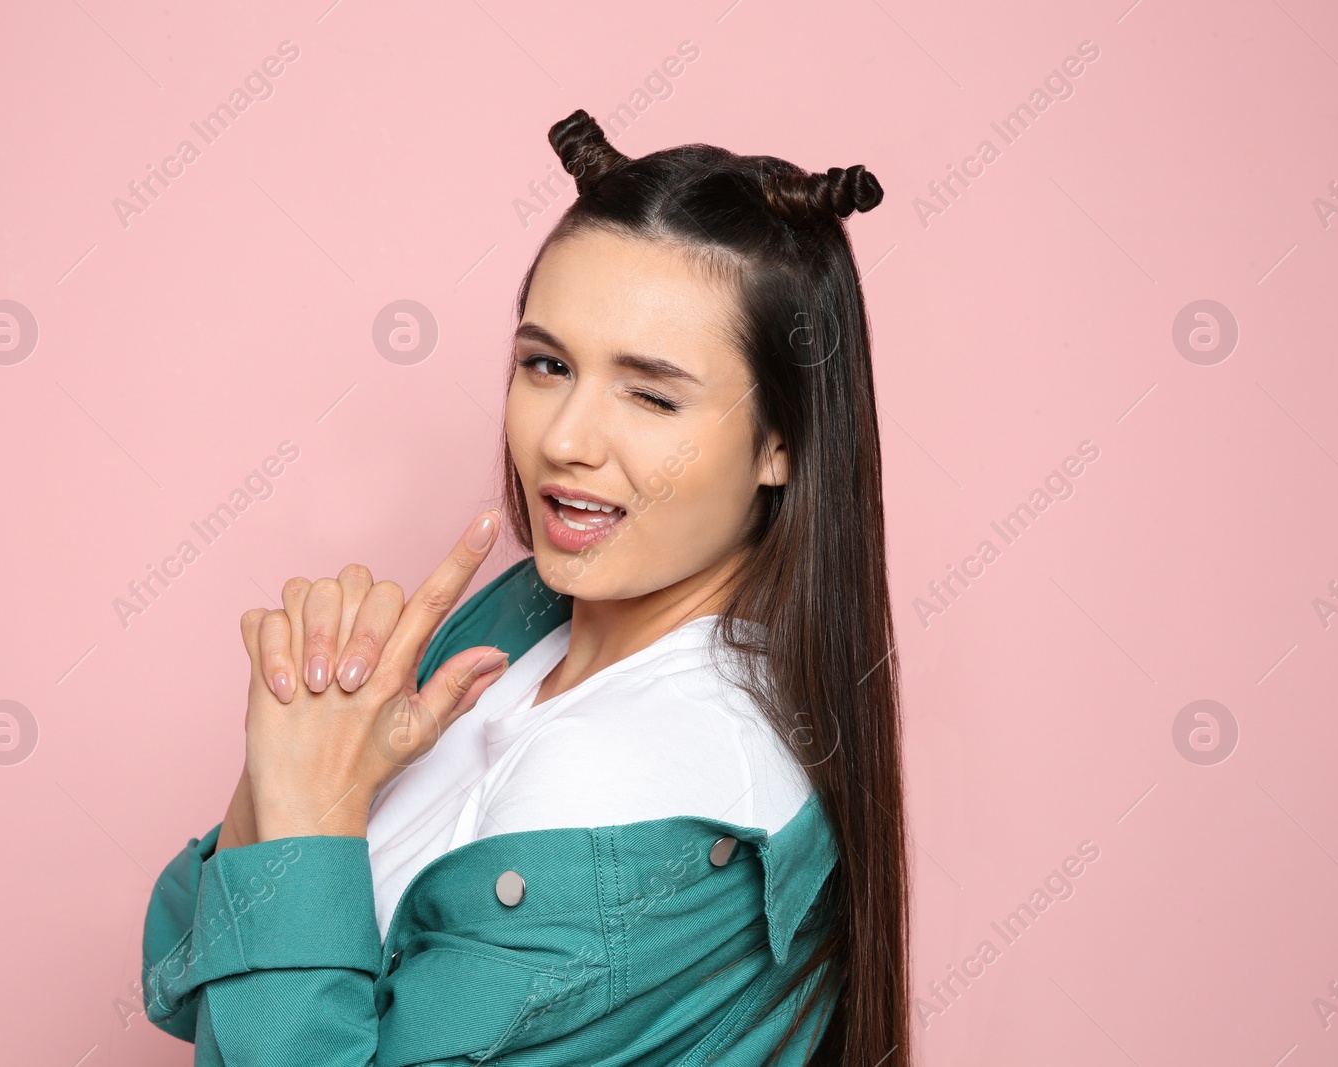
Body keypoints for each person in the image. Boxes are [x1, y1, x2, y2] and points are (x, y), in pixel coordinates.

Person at [142, 108, 910, 1067]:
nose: (564, 439)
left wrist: (309, 807)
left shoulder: (646, 773)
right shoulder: (527, 624)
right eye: (547, 364)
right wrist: (301, 759)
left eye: (651, 393)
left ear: (782, 442)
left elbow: (239, 992)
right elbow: (181, 964)